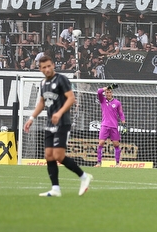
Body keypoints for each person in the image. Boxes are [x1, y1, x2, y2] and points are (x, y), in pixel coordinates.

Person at [24, 54, 92, 197]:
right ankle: (55, 188)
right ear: (40, 69)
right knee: (48, 155)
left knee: (59, 156)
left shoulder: (62, 79)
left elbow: (71, 99)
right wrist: (31, 118)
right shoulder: (43, 83)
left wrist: (59, 113)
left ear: (53, 65)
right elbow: (42, 103)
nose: (47, 69)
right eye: (44, 67)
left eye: (49, 66)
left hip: (62, 123)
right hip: (50, 123)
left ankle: (84, 176)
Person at [96, 84, 126, 166]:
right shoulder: (102, 100)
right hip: (104, 125)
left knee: (116, 144)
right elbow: (99, 91)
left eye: (109, 92)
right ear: (105, 93)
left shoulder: (117, 103)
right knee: (101, 143)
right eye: (106, 92)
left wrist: (124, 123)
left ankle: (117, 163)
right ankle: (99, 162)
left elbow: (121, 113)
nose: (108, 94)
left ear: (112, 93)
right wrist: (106, 88)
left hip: (114, 126)